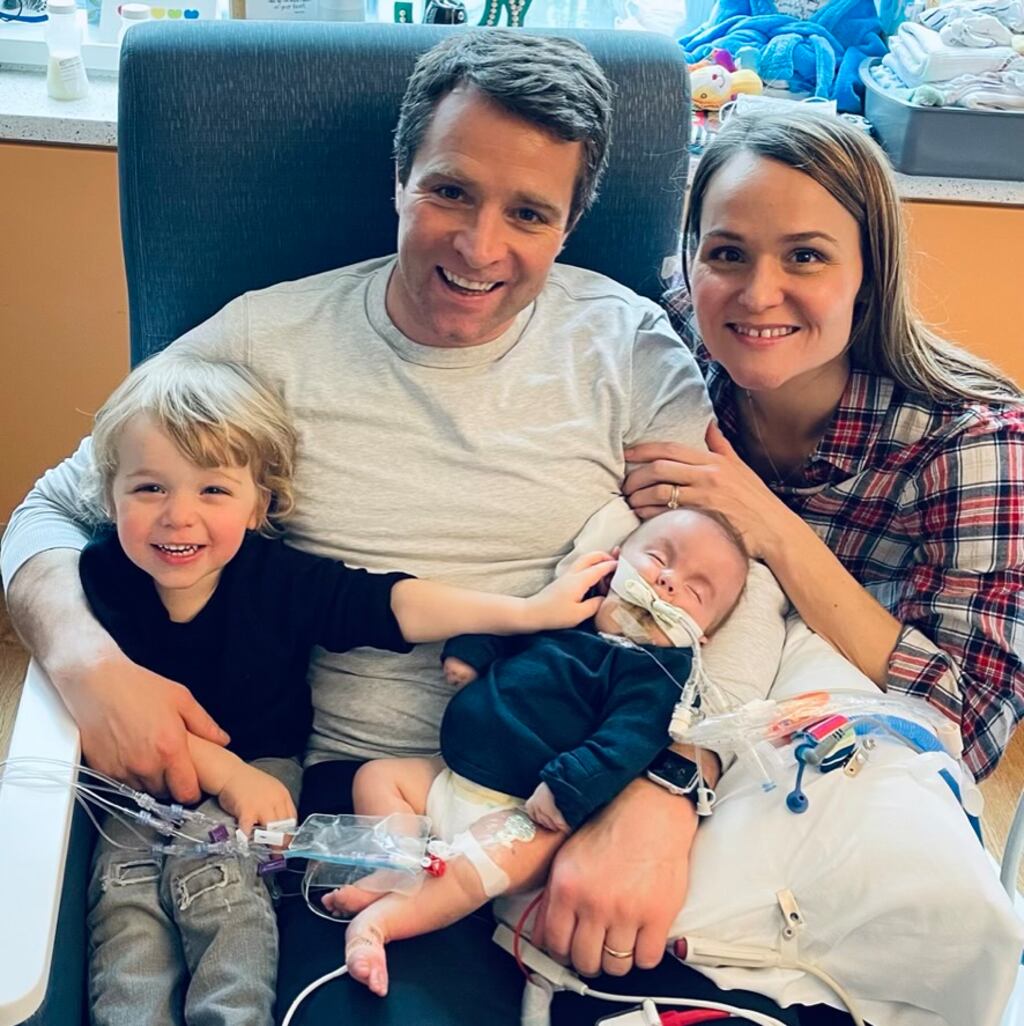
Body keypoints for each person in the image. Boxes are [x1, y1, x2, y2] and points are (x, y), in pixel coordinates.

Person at [6, 30, 815, 1026]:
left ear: (570, 225)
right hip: (350, 807)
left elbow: (740, 575)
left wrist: (666, 786)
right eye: (449, 193)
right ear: (399, 178)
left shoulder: (630, 353)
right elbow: (50, 508)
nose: (479, 249)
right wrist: (86, 662)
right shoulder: (264, 341)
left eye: (528, 213)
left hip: (584, 778)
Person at [76, 353, 614, 1026]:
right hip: (132, 777)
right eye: (149, 489)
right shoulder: (102, 575)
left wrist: (529, 613)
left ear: (257, 505)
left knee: (220, 890)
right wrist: (222, 770)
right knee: (125, 904)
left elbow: (394, 606)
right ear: (111, 495)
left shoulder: (279, 580)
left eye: (212, 491)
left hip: (264, 772)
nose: (178, 517)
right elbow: (107, 704)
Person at [626, 108, 1024, 784]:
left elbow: (971, 726)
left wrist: (773, 529)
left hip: (835, 776)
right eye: (726, 253)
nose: (757, 294)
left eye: (805, 256)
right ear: (689, 263)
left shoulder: (973, 446)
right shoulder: (660, 361)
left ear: (869, 274)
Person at [320, 509, 750, 998]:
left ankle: (378, 927)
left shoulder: (659, 674)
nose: (668, 583)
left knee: (476, 866)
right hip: (453, 772)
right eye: (657, 559)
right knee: (378, 778)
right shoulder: (566, 613)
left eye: (694, 591)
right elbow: (508, 624)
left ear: (703, 635)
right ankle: (394, 866)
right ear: (613, 563)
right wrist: (470, 652)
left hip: (526, 810)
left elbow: (626, 744)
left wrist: (568, 787)